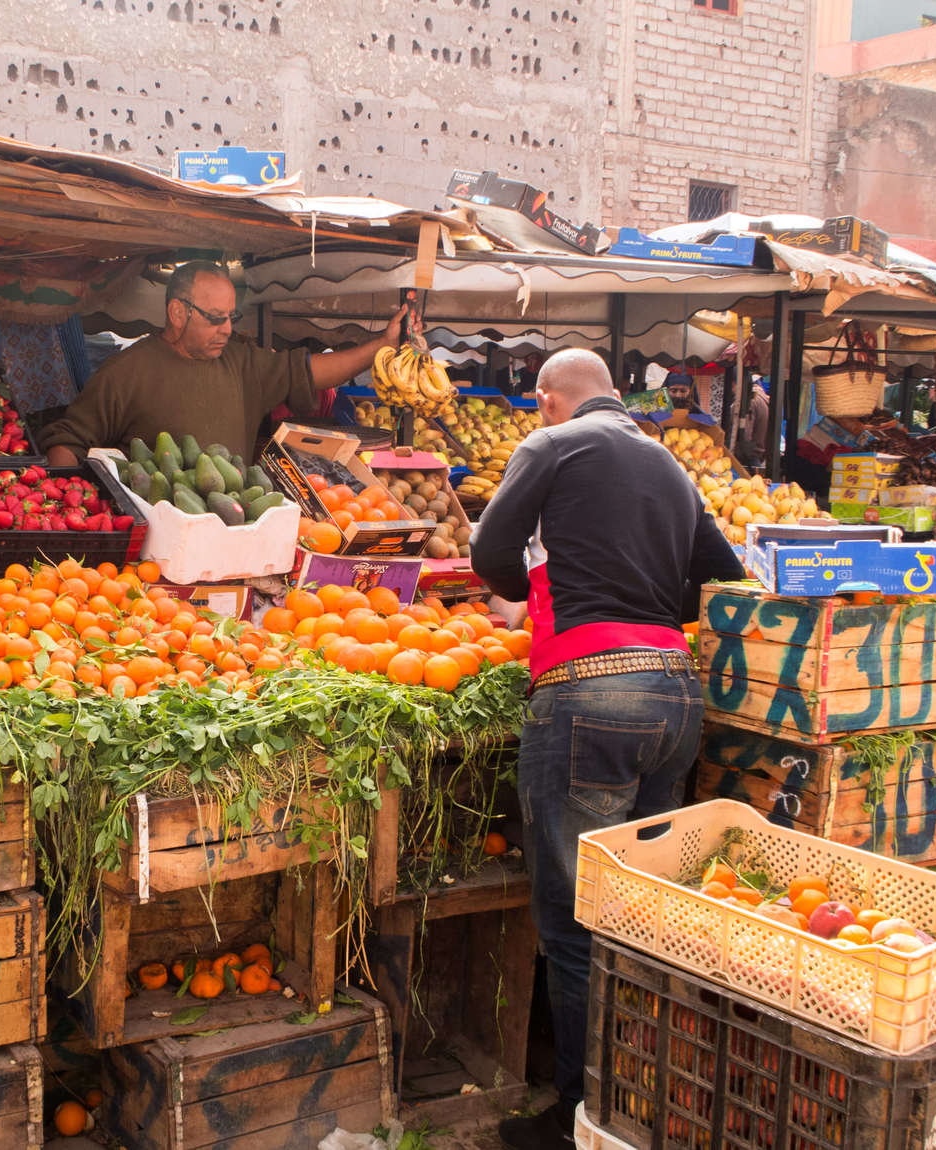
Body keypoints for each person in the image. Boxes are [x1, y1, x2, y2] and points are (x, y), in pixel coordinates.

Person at [468, 349, 746, 1150]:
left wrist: (531, 590)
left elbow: (491, 554)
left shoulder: (550, 445)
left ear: (551, 400)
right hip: (674, 698)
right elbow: (719, 580)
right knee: (636, 912)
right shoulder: (669, 463)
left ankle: (579, 1118)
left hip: (589, 693)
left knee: (575, 919)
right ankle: (640, 1097)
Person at [41, 262, 417, 464]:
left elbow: (311, 372)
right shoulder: (125, 373)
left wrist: (382, 345)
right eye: (214, 317)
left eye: (230, 317)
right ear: (177, 312)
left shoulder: (241, 364)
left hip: (235, 528)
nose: (226, 328)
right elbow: (67, 444)